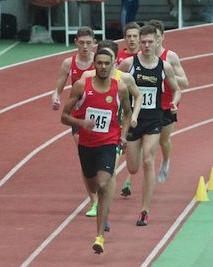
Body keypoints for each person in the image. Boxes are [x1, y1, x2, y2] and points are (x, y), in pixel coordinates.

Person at [61, 48, 132, 254]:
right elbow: (64, 117)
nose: (102, 66)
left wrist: (124, 135)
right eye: (99, 63)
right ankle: (100, 212)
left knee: (102, 185)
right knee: (92, 184)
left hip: (109, 143)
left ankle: (99, 236)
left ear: (112, 65)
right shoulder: (82, 86)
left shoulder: (120, 89)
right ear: (94, 64)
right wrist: (81, 122)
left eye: (106, 63)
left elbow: (127, 113)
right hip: (86, 145)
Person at [118, 25, 181, 226]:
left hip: (154, 119)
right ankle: (133, 167)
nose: (145, 45)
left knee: (148, 161)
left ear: (156, 42)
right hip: (133, 121)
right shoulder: (129, 64)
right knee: (134, 168)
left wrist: (173, 102)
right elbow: (112, 81)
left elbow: (177, 89)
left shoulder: (165, 67)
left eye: (149, 42)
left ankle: (144, 210)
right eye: (142, 42)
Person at [80, 39, 142, 232]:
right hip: (94, 135)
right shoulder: (89, 76)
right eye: (101, 61)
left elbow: (138, 96)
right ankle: (101, 206)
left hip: (115, 133)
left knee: (113, 172)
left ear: (115, 60)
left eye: (110, 61)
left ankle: (103, 211)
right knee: (98, 176)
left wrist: (133, 118)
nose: (105, 65)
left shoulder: (125, 80)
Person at [51, 26, 99, 217]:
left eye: (89, 43)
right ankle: (94, 201)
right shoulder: (68, 63)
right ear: (75, 43)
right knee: (85, 157)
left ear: (94, 43)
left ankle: (101, 188)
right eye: (82, 43)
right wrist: (55, 97)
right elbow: (58, 88)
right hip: (78, 118)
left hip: (99, 115)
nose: (85, 47)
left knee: (100, 157)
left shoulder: (100, 62)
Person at [147, 19, 189, 182]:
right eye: (151, 37)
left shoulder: (170, 57)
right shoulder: (142, 56)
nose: (153, 41)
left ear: (162, 37)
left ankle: (165, 160)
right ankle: (147, 168)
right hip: (148, 105)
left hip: (167, 105)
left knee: (163, 140)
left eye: (157, 37)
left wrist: (165, 72)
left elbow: (185, 82)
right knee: (148, 144)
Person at [116, 21, 140, 198]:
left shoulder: (146, 57)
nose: (131, 40)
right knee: (120, 144)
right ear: (124, 38)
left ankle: (128, 180)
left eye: (135, 36)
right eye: (129, 36)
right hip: (122, 106)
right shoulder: (120, 59)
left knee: (135, 145)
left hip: (139, 108)